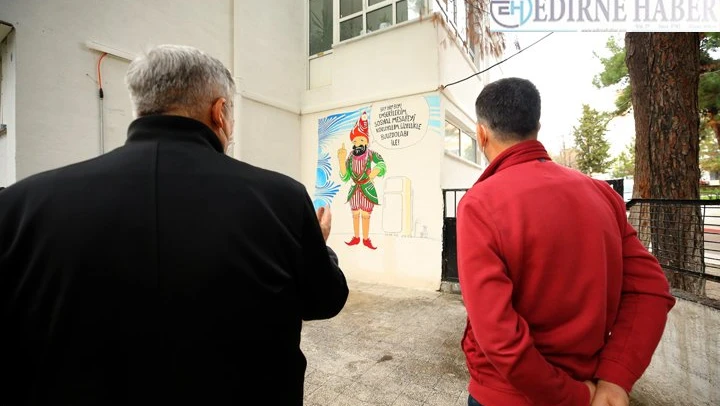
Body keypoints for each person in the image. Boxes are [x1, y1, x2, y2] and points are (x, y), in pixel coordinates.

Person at [0, 45, 348, 405]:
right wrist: (318, 246)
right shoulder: (282, 199)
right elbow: (324, 300)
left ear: (141, 107)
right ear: (220, 112)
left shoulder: (19, 206)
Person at [457, 77, 675, 406]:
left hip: (508, 396)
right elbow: (651, 290)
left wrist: (572, 396)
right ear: (537, 127)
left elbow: (498, 337)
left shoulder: (480, 203)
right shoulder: (602, 194)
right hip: (588, 384)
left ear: (481, 133)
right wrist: (616, 379)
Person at [337, 111, 387, 250]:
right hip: (354, 188)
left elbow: (382, 163)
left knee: (365, 215)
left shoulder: (371, 154)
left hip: (367, 188)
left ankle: (365, 239)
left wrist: (375, 172)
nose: (358, 144)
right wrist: (341, 161)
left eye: (361, 140)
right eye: (355, 141)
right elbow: (345, 176)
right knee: (355, 214)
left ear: (366, 141)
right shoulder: (350, 157)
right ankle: (356, 237)